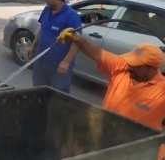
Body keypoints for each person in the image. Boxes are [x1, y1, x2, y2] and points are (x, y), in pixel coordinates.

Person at [56, 29, 165, 160]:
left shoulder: (162, 88)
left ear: (151, 68)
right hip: (108, 141)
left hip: (140, 151)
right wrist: (78, 38)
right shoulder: (121, 67)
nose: (130, 66)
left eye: (136, 65)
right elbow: (97, 53)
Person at [26, 0, 82, 93]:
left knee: (59, 96)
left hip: (58, 66)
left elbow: (77, 42)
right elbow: (42, 28)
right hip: (41, 61)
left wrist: (66, 62)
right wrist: (33, 46)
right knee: (38, 92)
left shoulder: (71, 16)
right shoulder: (47, 10)